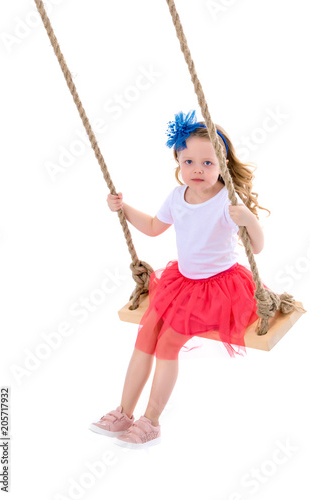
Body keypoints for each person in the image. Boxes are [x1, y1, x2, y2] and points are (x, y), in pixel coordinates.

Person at [89, 110, 271, 449]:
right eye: (189, 161)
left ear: (223, 165)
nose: (197, 170)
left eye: (207, 163)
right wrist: (123, 208)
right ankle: (124, 412)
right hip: (181, 283)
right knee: (147, 335)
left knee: (168, 343)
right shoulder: (177, 197)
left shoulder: (228, 202)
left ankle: (151, 420)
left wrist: (249, 219)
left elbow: (256, 248)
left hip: (219, 289)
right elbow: (154, 229)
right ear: (178, 160)